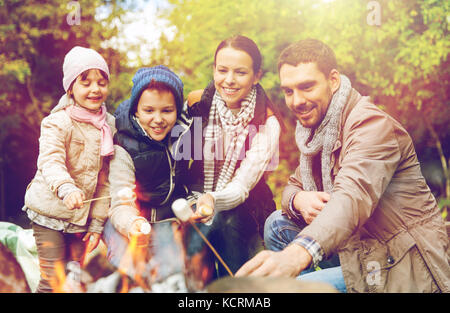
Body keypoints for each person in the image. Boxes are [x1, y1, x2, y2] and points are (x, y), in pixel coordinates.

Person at [236, 38, 450, 293]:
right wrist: (299, 200)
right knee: (276, 224)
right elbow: (293, 185)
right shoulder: (318, 132)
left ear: (333, 80)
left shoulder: (371, 125)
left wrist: (297, 254)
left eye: (306, 86)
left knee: (289, 289)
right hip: (359, 249)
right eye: (289, 91)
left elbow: (350, 198)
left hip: (401, 261)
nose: (296, 101)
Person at [185, 35, 283, 283]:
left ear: (256, 75)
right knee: (198, 282)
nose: (229, 80)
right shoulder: (197, 103)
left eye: (240, 72)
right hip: (196, 203)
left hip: (243, 212)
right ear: (214, 70)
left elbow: (241, 187)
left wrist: (212, 200)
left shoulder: (267, 123)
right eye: (222, 70)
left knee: (238, 285)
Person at [23, 46, 115, 293]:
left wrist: (97, 223)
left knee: (76, 279)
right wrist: (65, 187)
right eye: (85, 83)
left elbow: (106, 180)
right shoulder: (58, 122)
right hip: (49, 214)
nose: (95, 89)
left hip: (81, 221)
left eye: (101, 82)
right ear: (70, 88)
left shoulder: (110, 126)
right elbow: (50, 160)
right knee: (53, 280)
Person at [103, 65, 192, 282]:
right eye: (149, 111)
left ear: (177, 110)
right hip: (129, 220)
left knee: (171, 274)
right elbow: (120, 202)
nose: (158, 119)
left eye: (167, 111)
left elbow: (204, 98)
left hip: (166, 219)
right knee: (131, 271)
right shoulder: (123, 145)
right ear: (136, 111)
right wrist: (132, 223)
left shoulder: (185, 134)